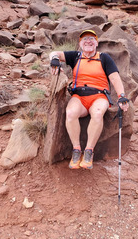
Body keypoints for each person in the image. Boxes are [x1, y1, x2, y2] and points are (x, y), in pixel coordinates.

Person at [49, 29, 129, 170]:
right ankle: (76, 150)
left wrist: (122, 96)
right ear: (80, 44)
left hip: (99, 96)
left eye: (91, 39)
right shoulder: (76, 56)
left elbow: (115, 78)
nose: (88, 41)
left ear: (96, 43)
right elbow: (53, 53)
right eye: (85, 39)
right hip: (79, 96)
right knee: (70, 113)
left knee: (97, 113)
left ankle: (88, 152)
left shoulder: (104, 58)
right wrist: (54, 60)